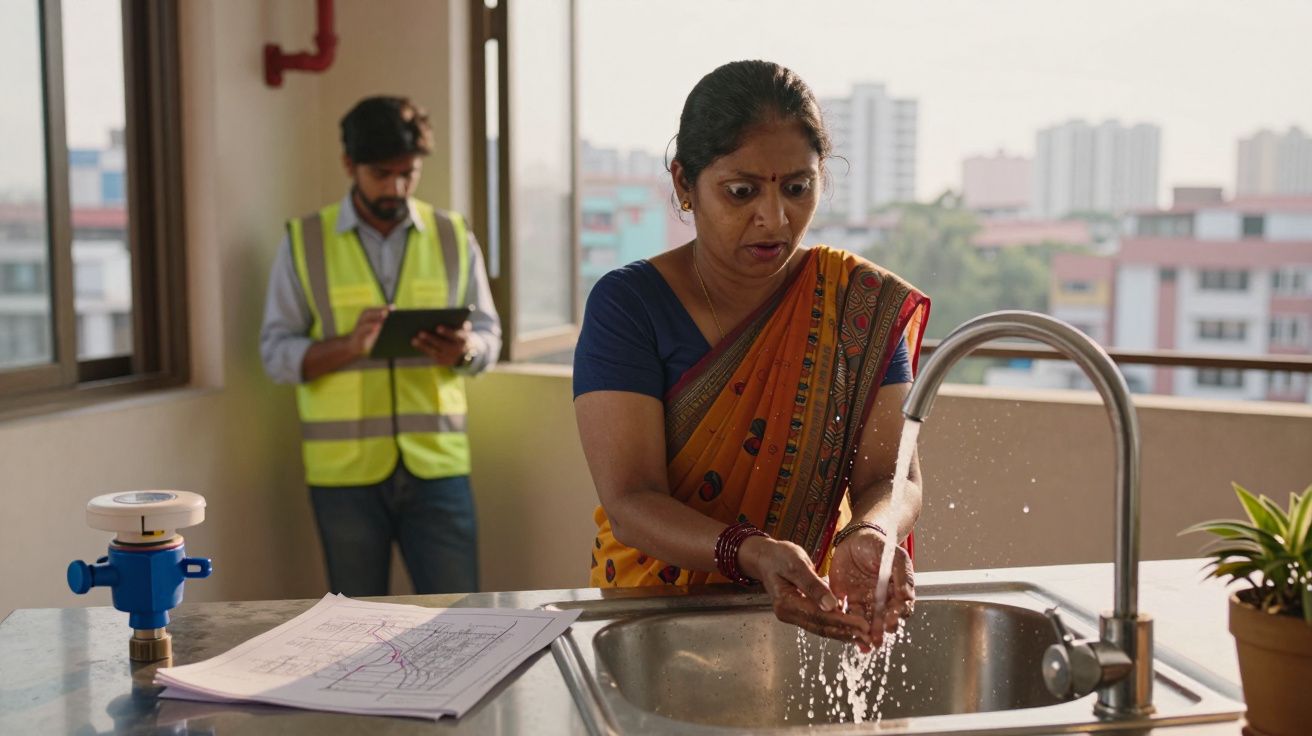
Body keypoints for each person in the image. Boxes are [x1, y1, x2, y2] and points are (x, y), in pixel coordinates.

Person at [573, 61, 929, 648]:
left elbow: (893, 477)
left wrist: (870, 531)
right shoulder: (630, 306)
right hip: (653, 619)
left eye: (797, 188)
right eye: (741, 192)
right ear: (684, 184)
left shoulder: (855, 305)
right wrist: (751, 553)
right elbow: (631, 499)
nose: (775, 218)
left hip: (808, 609)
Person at [260, 96, 501, 597]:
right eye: (381, 174)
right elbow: (275, 354)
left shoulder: (453, 235)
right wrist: (350, 346)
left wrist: (463, 351)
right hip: (344, 478)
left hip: (439, 468)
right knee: (352, 626)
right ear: (349, 164)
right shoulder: (305, 241)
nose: (396, 188)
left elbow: (489, 335)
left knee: (462, 617)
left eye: (407, 173)